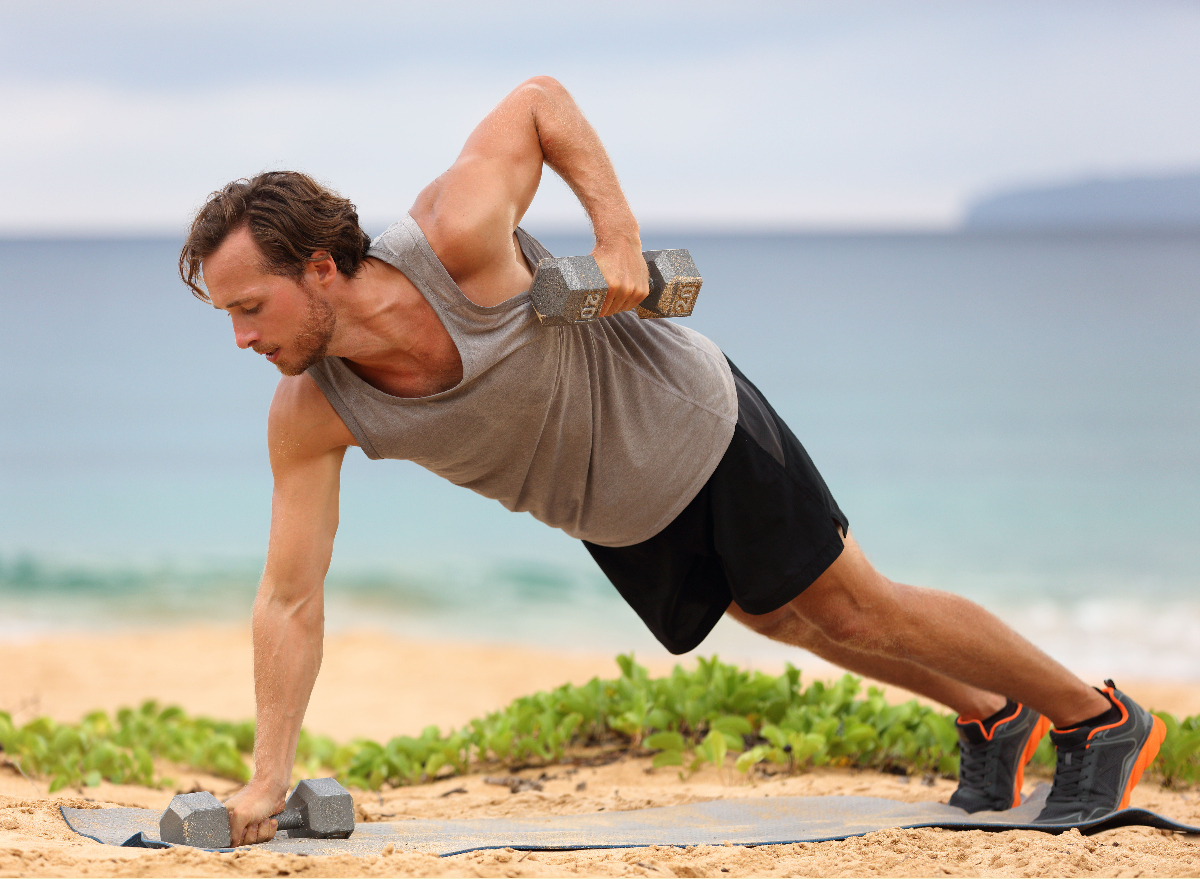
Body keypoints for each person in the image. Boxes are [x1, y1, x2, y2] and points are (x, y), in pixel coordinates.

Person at [179, 77, 1165, 846]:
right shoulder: (314, 413)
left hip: (695, 421)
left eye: (248, 308)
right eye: (226, 317)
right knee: (783, 617)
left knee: (857, 604)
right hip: (617, 511)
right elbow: (290, 599)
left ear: (318, 266)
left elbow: (538, 103)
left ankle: (1097, 719)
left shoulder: (455, 237)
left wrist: (617, 238)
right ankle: (993, 718)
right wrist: (271, 773)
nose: (239, 341)